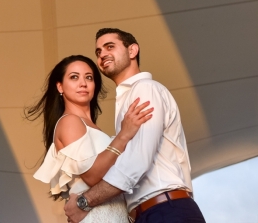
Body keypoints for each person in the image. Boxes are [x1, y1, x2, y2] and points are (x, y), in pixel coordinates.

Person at [64, 28, 206, 223]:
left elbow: (136, 161)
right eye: (98, 52)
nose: (102, 54)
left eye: (110, 47)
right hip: (148, 214)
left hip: (166, 210)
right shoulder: (126, 100)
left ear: (132, 51)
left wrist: (84, 202)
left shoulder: (145, 89)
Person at [27, 54, 153, 222]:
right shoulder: (69, 122)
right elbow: (92, 176)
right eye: (74, 77)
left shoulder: (89, 126)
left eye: (89, 77)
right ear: (60, 86)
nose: (83, 83)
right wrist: (124, 135)